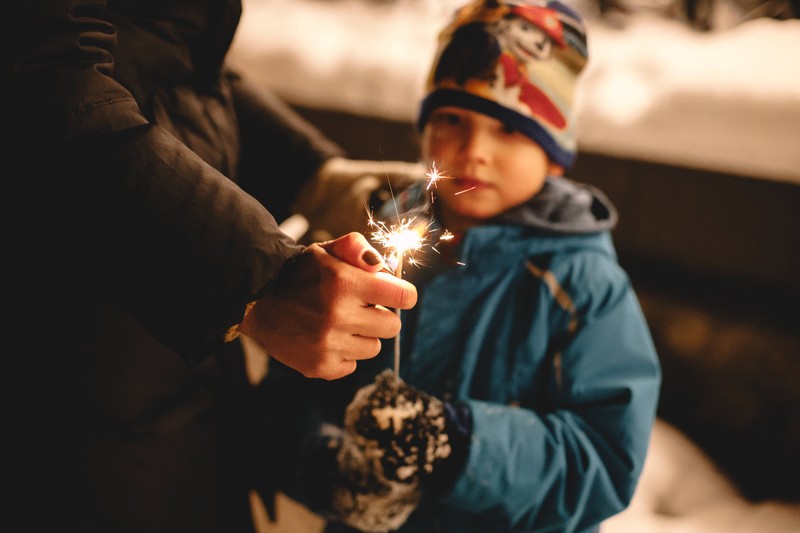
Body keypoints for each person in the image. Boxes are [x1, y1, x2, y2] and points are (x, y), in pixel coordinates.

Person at [7, 1, 420, 532]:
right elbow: (39, 70)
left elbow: (171, 53)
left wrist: (308, 173)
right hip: (73, 360)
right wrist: (255, 276)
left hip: (174, 380)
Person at [249, 1, 662, 532]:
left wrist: (459, 442)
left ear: (555, 154)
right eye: (452, 119)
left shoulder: (583, 284)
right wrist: (326, 466)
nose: (473, 150)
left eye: (509, 130)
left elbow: (603, 458)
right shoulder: (372, 242)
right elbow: (289, 393)